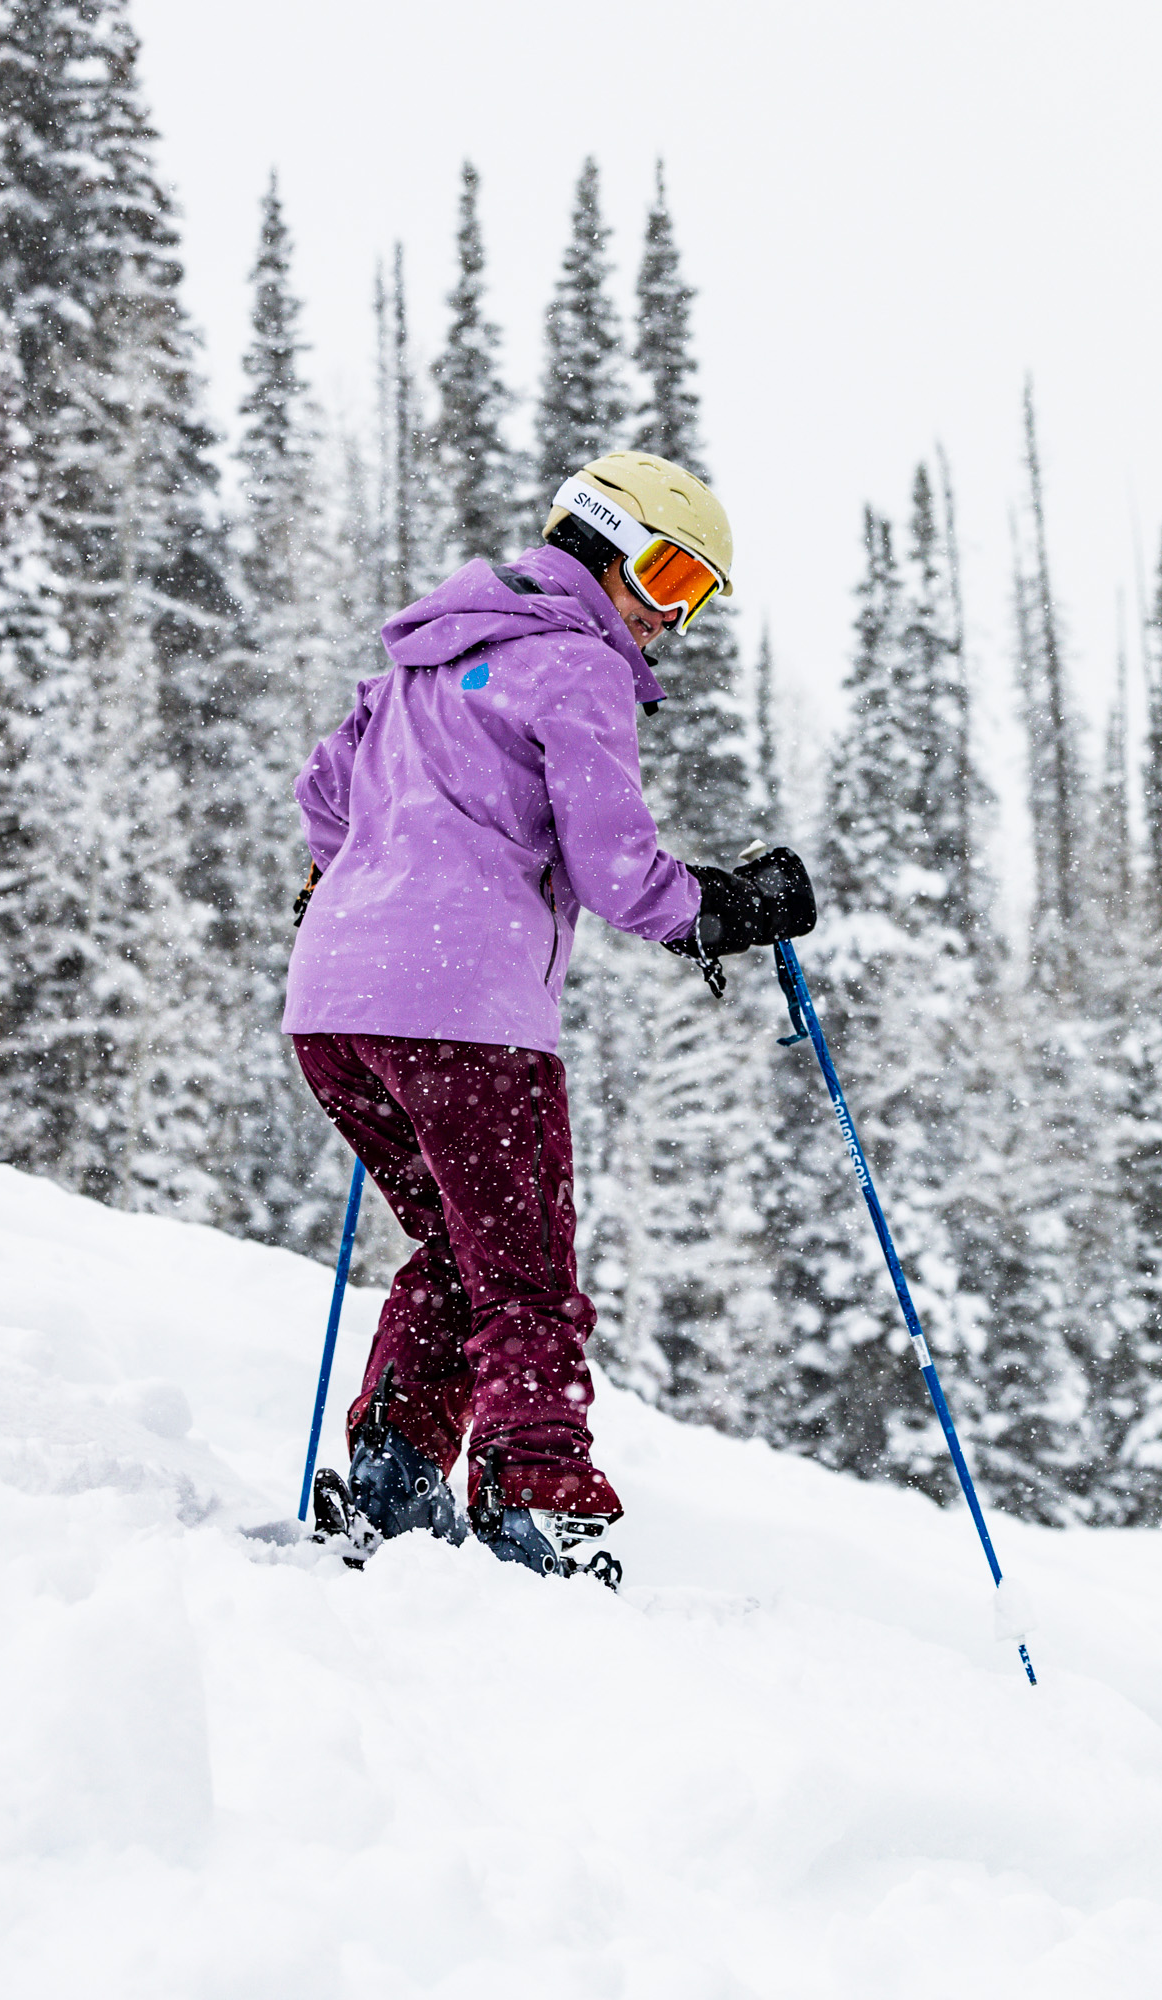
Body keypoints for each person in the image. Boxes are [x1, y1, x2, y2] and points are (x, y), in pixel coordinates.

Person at [284, 451, 815, 1579]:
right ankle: (538, 1504)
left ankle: (392, 1470)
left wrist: (364, 886)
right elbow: (620, 873)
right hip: (466, 1011)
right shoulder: (577, 664)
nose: (670, 621)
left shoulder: (421, 658)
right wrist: (728, 908)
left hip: (334, 1009)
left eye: (694, 598)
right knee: (523, 1270)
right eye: (669, 579)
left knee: (457, 1242)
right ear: (609, 547)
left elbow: (324, 798)